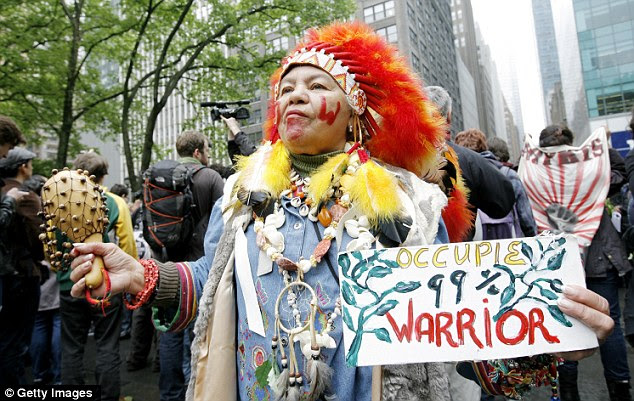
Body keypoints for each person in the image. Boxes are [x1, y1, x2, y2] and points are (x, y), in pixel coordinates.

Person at [69, 22, 613, 401]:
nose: (294, 97)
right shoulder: (240, 197)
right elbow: (214, 288)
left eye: (316, 86)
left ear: (354, 113)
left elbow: (450, 324)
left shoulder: (411, 201)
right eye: (286, 89)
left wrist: (546, 334)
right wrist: (142, 275)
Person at [521, 124, 631, 401]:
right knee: (610, 323)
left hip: (560, 264)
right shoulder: (593, 172)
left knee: (564, 324)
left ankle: (567, 392)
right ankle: (620, 390)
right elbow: (619, 172)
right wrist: (601, 149)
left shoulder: (536, 176)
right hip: (599, 258)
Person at [57, 152, 137, 401]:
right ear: (103, 175)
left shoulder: (60, 199)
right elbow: (128, 247)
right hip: (106, 284)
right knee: (107, 345)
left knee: (71, 348)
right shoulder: (114, 202)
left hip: (68, 282)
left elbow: (51, 245)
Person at [156, 130, 224, 401]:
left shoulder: (162, 178)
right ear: (198, 152)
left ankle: (169, 393)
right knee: (198, 333)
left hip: (169, 264)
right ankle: (195, 390)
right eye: (206, 149)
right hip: (200, 266)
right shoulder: (210, 177)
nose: (207, 155)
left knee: (170, 332)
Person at [424, 86, 515, 240]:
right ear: (449, 117)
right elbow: (502, 203)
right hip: (460, 255)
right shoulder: (469, 161)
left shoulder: (392, 159)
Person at [0, 147, 44, 386]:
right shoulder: (24, 196)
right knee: (15, 342)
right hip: (21, 274)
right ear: (22, 166)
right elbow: (39, 239)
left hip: (9, 274)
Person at [454, 129, 537, 239]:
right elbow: (525, 216)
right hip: (510, 244)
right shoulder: (508, 174)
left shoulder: (457, 173)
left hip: (473, 244)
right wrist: (532, 238)